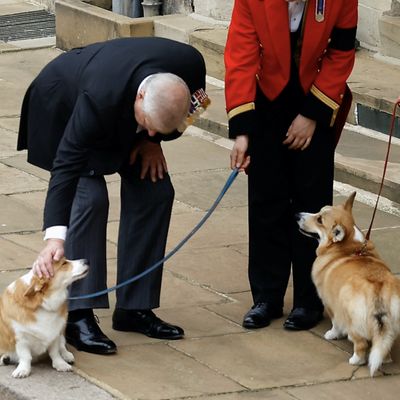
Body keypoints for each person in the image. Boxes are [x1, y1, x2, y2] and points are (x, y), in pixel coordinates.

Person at [17, 37, 209, 354]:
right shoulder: (99, 96)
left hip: (122, 117)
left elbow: (196, 107)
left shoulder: (190, 64)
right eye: (147, 126)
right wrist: (54, 237)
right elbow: (66, 166)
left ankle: (135, 307)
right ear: (141, 96)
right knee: (89, 199)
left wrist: (153, 142)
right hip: (62, 109)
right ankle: (78, 314)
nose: (150, 131)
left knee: (156, 191)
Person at [224, 0, 357, 330]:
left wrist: (311, 115)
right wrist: (242, 133)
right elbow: (240, 57)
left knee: (312, 204)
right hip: (266, 100)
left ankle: (309, 301)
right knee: (266, 199)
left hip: (316, 96)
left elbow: (341, 53)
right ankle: (266, 298)